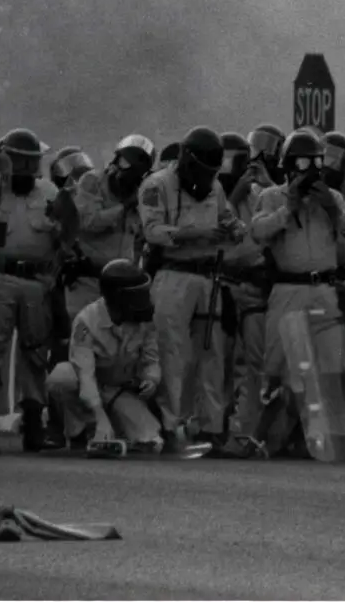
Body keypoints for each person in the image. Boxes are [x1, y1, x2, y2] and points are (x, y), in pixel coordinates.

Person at [250, 129, 345, 460]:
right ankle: (265, 438)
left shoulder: (334, 198)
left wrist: (333, 209)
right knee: (279, 365)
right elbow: (258, 232)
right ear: (289, 167)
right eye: (303, 164)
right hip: (288, 288)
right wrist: (289, 207)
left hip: (325, 289)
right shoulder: (272, 196)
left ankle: (324, 437)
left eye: (317, 163)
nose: (311, 171)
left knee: (331, 365)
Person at [137, 126, 246, 452]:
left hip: (209, 276)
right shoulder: (156, 185)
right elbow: (152, 230)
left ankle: (209, 425)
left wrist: (235, 229)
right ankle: (169, 423)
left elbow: (227, 217)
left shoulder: (215, 187)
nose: (206, 178)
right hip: (173, 273)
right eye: (202, 171)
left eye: (212, 173)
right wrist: (195, 233)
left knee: (212, 353)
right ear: (187, 161)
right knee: (171, 351)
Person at [0, 127, 65, 452]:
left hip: (36, 281)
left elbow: (66, 237)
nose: (26, 169)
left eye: (32, 162)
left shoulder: (50, 193)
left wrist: (53, 275)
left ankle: (33, 420)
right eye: (18, 161)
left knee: (35, 353)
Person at [44, 259, 163, 452]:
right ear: (118, 297)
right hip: (90, 387)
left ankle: (115, 430)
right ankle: (81, 431)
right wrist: (100, 418)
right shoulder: (85, 322)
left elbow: (151, 359)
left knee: (151, 440)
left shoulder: (145, 319)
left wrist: (151, 379)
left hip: (119, 390)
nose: (144, 299)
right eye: (137, 294)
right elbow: (85, 376)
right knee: (62, 377)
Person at [215, 131, 275, 457]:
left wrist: (264, 185)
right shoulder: (210, 196)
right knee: (219, 361)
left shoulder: (259, 196)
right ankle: (213, 428)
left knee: (255, 363)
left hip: (253, 290)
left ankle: (244, 433)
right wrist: (232, 196)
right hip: (222, 286)